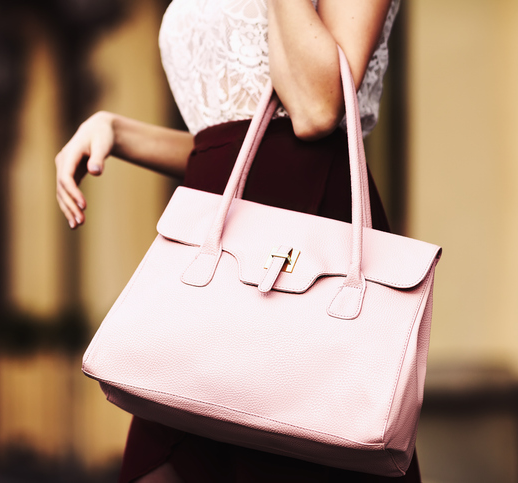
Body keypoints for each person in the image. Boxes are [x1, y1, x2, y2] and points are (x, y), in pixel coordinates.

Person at [55, 1, 420, 481]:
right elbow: (228, 141)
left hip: (306, 236)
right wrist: (118, 131)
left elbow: (315, 109)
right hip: (217, 245)